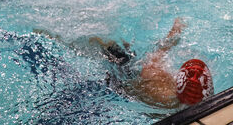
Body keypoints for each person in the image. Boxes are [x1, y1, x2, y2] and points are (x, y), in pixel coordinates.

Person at [38, 18, 213, 108]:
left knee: (99, 41)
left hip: (121, 79)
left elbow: (155, 57)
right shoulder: (188, 104)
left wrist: (172, 36)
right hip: (128, 87)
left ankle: (47, 33)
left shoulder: (160, 82)